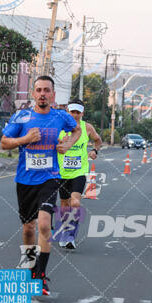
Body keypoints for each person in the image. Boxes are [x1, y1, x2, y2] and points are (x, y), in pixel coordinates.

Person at [1, 75, 81, 296]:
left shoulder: (60, 116)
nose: (43, 93)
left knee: (44, 225)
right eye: (39, 90)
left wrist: (68, 143)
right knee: (28, 229)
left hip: (50, 177)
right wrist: (24, 139)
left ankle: (41, 276)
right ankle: (29, 268)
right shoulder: (21, 116)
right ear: (33, 94)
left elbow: (77, 130)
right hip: (25, 180)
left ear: (53, 95)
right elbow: (4, 143)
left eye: (47, 90)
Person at [56, 99, 102, 249]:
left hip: (79, 171)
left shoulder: (87, 128)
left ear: (82, 113)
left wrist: (95, 150)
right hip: (62, 172)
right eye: (72, 112)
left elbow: (98, 140)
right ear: (68, 112)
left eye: (78, 112)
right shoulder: (59, 126)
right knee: (64, 204)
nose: (75, 115)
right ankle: (64, 229)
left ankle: (70, 235)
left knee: (75, 202)